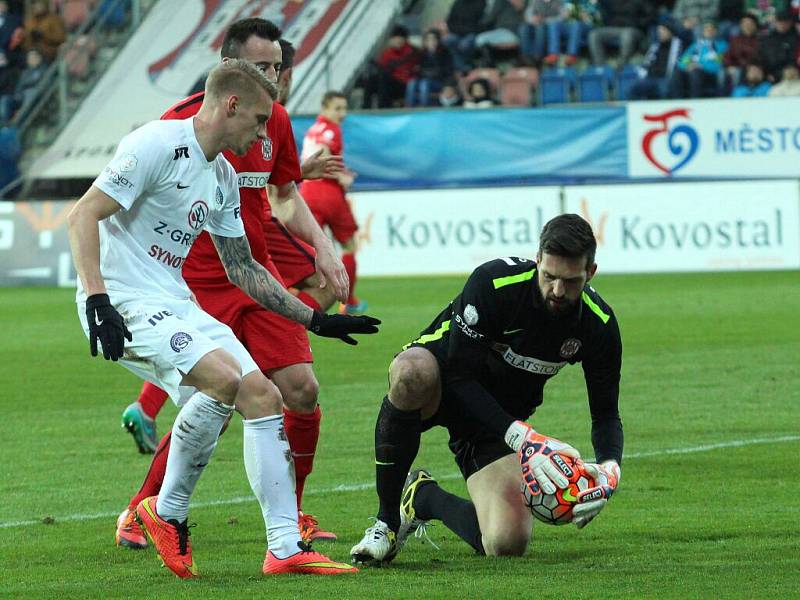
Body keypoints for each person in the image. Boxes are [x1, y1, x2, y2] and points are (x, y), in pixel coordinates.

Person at [69, 59, 377, 578]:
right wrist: (98, 299)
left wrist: (314, 320)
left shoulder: (224, 175)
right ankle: (167, 512)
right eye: (259, 120)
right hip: (123, 300)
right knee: (226, 380)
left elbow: (244, 267)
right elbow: (83, 214)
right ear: (230, 104)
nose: (263, 135)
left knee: (263, 395)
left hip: (173, 299)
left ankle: (282, 548)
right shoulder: (156, 143)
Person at [350, 214, 622, 564]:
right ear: (537, 260)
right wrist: (523, 439)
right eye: (549, 276)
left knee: (507, 542)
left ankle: (423, 498)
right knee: (409, 372)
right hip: (444, 386)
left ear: (591, 272)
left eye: (569, 281)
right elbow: (460, 377)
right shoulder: (495, 283)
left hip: (494, 420)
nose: (557, 290)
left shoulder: (598, 325)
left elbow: (605, 414)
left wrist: (610, 469)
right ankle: (386, 522)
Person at [299, 91, 366, 315]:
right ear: (325, 108)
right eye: (337, 108)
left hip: (307, 193)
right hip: (328, 193)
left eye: (344, 108)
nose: (342, 114)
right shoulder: (331, 129)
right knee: (349, 246)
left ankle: (296, 297)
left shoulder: (312, 129)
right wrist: (341, 176)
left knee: (309, 251)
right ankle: (348, 302)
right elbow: (325, 152)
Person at [362, 25, 420, 108]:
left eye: (399, 38)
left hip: (404, 85)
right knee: (371, 80)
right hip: (389, 82)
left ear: (404, 39)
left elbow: (412, 70)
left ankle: (383, 108)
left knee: (384, 78)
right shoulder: (387, 53)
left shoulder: (412, 52)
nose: (396, 41)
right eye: (394, 39)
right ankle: (366, 107)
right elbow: (381, 67)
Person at [669, 20, 728, 98]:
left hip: (709, 74)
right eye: (706, 29)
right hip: (691, 71)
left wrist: (701, 66)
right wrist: (687, 66)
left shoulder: (721, 45)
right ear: (703, 31)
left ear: (716, 31)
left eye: (711, 29)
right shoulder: (696, 45)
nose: (708, 31)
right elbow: (682, 61)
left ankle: (695, 101)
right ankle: (677, 102)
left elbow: (718, 66)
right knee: (677, 73)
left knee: (695, 72)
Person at [588, 0, 654, 67]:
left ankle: (621, 66)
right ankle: (600, 68)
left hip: (634, 29)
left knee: (626, 34)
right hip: (615, 28)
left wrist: (638, 23)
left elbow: (651, 14)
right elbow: (606, 13)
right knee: (594, 34)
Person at [629, 20, 683, 100]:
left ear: (670, 32)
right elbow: (646, 63)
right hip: (650, 78)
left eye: (663, 30)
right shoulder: (655, 46)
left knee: (663, 89)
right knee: (632, 88)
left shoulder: (677, 45)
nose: (660, 33)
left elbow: (678, 63)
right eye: (659, 31)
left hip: (665, 78)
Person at [405, 29, 454, 107]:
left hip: (439, 81)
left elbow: (447, 70)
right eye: (428, 39)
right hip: (425, 79)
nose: (431, 41)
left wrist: (448, 85)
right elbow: (418, 69)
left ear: (438, 40)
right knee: (412, 83)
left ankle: (424, 108)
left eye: (433, 39)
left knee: (424, 84)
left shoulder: (444, 52)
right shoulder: (422, 53)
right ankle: (409, 108)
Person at [443, 0, 486, 73]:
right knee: (445, 42)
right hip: (457, 33)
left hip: (473, 33)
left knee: (464, 45)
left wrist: (464, 30)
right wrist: (457, 30)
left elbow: (481, 24)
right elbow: (449, 21)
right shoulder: (457, 3)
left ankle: (464, 66)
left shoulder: (481, 3)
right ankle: (462, 67)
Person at [758, 9, 798, 82]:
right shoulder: (766, 38)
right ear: (775, 22)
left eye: (785, 22)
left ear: (790, 23)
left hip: (787, 75)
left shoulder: (795, 39)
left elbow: (793, 61)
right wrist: (765, 74)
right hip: (766, 74)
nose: (782, 24)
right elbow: (761, 57)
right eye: (779, 21)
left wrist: (777, 75)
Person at [723, 13, 761, 88]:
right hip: (737, 68)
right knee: (725, 73)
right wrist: (729, 66)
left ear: (755, 25)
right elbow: (727, 56)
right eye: (744, 24)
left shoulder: (761, 40)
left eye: (750, 24)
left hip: (754, 68)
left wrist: (753, 67)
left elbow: (762, 57)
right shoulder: (735, 40)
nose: (747, 26)